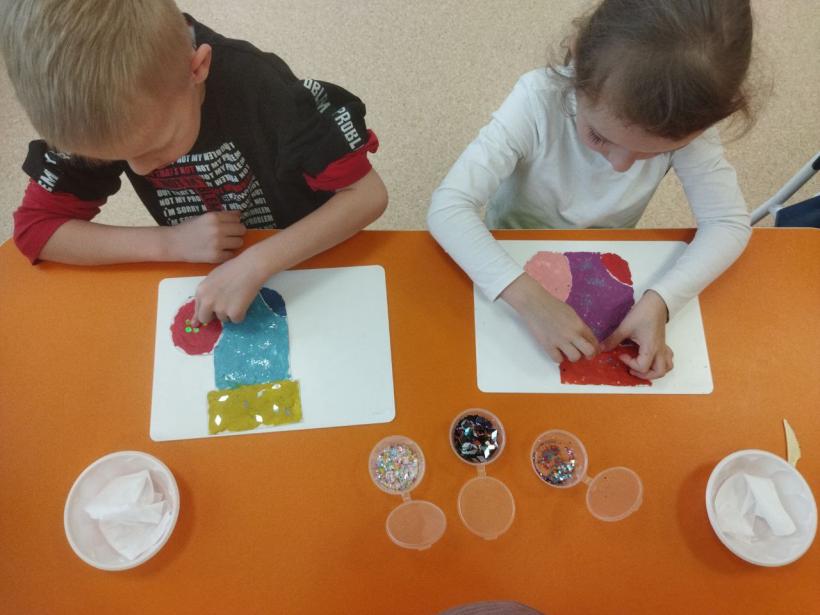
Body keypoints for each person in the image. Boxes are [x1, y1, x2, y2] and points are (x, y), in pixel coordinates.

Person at [1, 0, 387, 324]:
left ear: (197, 68)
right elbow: (36, 229)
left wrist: (258, 262)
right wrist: (170, 242)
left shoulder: (261, 87)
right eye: (116, 158)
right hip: (212, 269)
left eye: (153, 146)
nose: (140, 170)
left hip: (313, 255)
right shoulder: (93, 111)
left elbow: (367, 194)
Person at [427, 0, 754, 380]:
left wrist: (662, 300)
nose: (620, 165)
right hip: (509, 244)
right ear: (579, 59)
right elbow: (448, 207)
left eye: (653, 153)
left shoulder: (690, 126)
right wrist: (531, 301)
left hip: (604, 258)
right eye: (599, 137)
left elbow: (728, 224)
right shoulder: (537, 100)